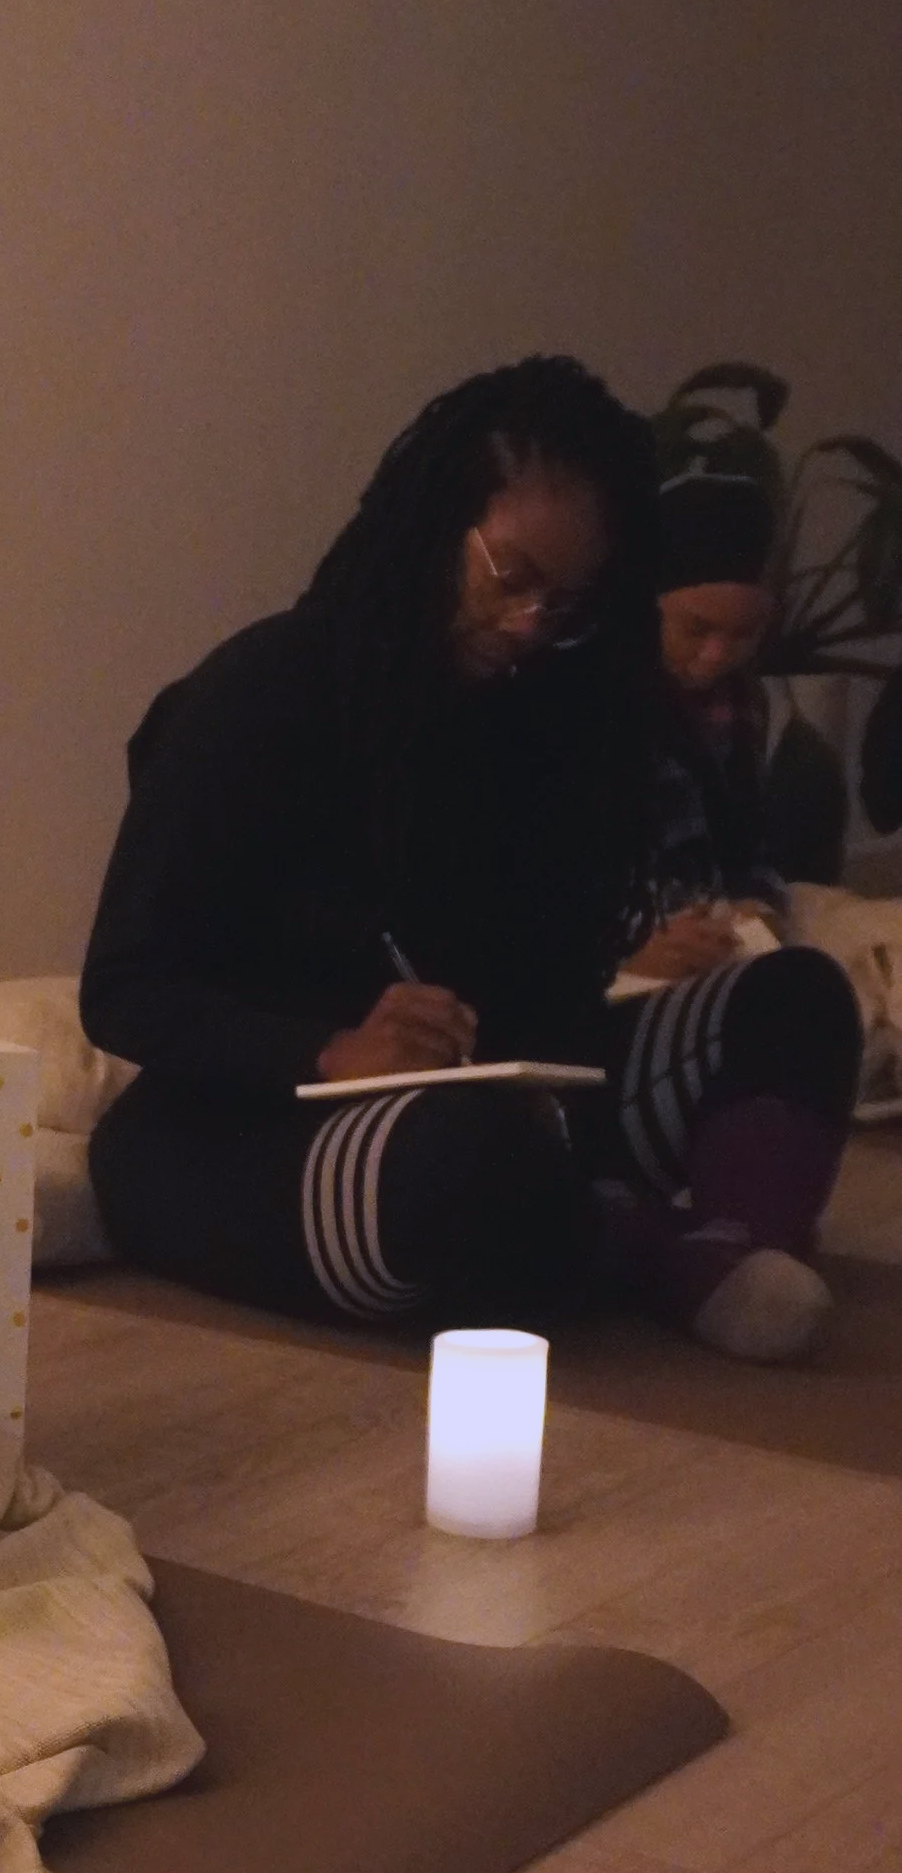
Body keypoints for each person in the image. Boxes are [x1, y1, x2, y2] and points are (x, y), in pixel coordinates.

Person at [81, 357, 862, 1364]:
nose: (533, 622)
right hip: (253, 1120)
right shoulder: (266, 688)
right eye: (511, 576)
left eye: (570, 604)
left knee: (796, 997)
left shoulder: (547, 718)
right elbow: (124, 988)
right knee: (471, 1161)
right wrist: (329, 1048)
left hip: (495, 1092)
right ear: (432, 531)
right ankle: (652, 1248)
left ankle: (707, 1234)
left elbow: (553, 1006)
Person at [625, 445, 786, 980]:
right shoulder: (599, 707)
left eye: (742, 634)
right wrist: (629, 939)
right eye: (696, 629)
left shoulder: (740, 707)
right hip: (636, 941)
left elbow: (754, 849)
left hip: (726, 928)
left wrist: (760, 905)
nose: (717, 656)